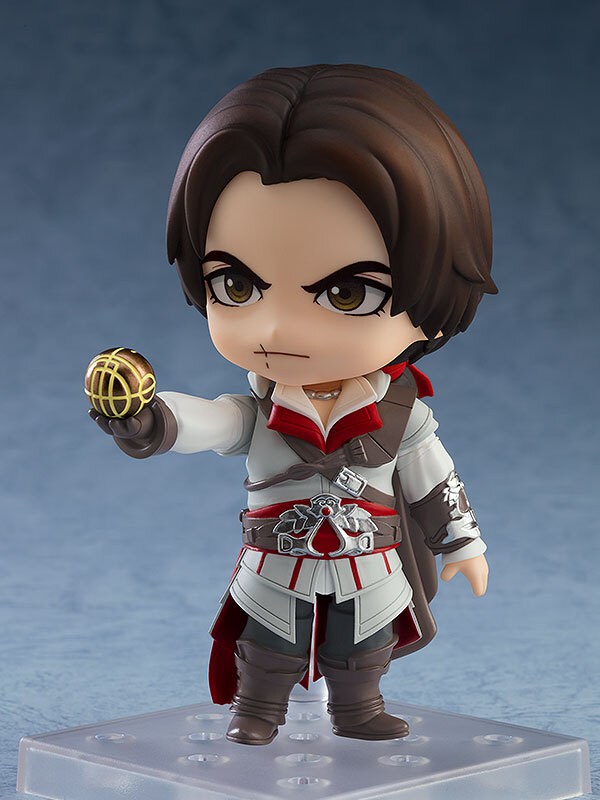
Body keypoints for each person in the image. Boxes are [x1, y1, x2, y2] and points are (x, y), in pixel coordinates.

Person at [90, 64, 497, 746]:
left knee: (363, 643)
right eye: (237, 285)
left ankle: (357, 709)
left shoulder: (404, 415)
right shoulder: (259, 408)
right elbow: (211, 421)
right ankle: (257, 710)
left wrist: (461, 543)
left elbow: (434, 481)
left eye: (347, 294)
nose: (277, 329)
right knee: (269, 641)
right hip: (278, 559)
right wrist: (151, 420)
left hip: (368, 558)